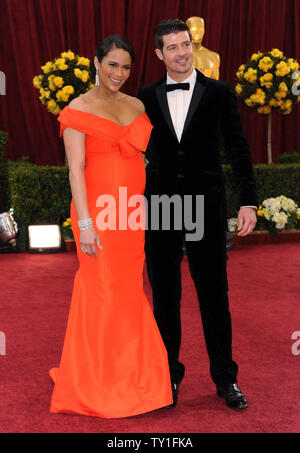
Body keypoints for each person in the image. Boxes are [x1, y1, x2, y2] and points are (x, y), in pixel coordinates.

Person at [49, 35, 173, 418]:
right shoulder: (78, 108)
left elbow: (144, 160)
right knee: (101, 292)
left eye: (126, 67)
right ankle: (99, 382)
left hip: (130, 217)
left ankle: (134, 377)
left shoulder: (135, 105)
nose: (118, 73)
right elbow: (76, 170)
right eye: (112, 64)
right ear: (97, 62)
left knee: (130, 290)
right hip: (98, 218)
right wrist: (84, 224)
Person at [138, 19, 258, 409]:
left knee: (214, 296)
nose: (182, 53)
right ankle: (168, 375)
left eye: (185, 44)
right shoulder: (144, 95)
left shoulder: (221, 93)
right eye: (172, 47)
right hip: (161, 207)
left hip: (206, 205)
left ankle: (226, 378)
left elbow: (238, 148)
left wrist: (248, 201)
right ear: (159, 54)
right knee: (165, 298)